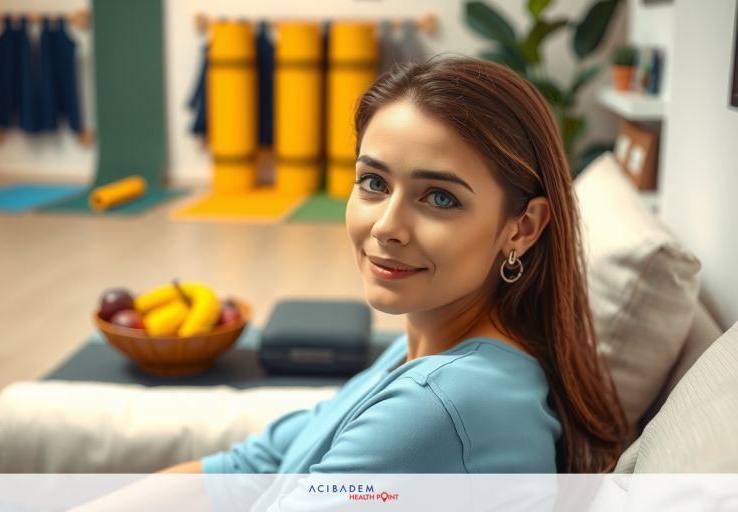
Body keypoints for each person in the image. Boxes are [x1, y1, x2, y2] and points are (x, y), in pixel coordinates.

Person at [73, 55, 628, 511]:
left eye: (440, 198)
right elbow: (250, 467)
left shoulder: (440, 405)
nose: (386, 227)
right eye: (373, 182)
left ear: (522, 227)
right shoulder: (424, 351)